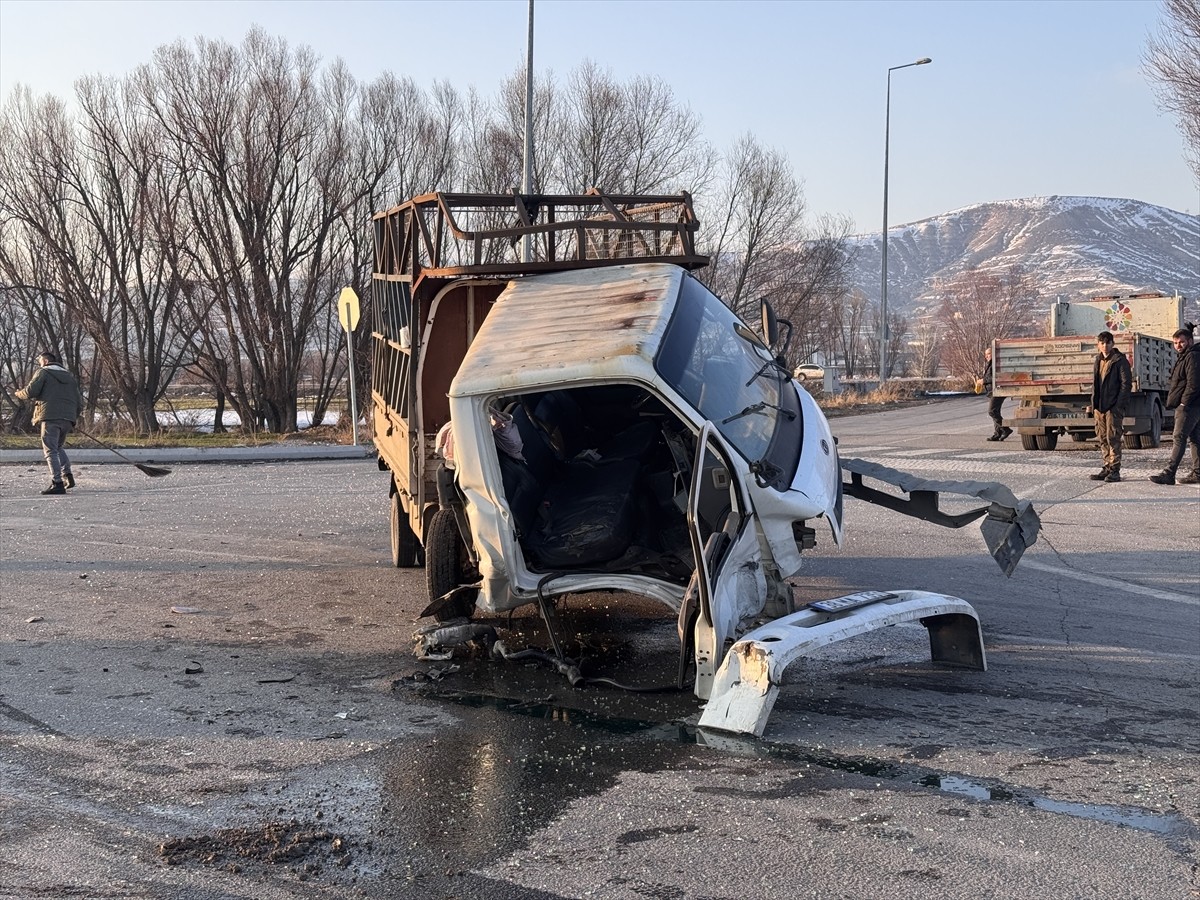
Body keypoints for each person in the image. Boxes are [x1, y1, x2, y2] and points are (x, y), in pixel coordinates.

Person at [14, 350, 85, 495]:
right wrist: (72, 418)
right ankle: (68, 476)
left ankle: (57, 483)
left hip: (50, 417)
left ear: (45, 361)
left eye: (40, 361)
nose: (39, 363)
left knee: (50, 450)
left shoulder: (43, 372)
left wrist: (18, 393)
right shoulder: (69, 377)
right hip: (68, 419)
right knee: (58, 447)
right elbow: (79, 403)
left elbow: (31, 391)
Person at [1150, 324, 1200, 485]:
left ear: (1190, 341)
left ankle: (1169, 473)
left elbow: (1194, 383)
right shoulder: (1187, 356)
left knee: (1179, 437)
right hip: (1193, 404)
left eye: (1182, 342)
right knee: (1195, 438)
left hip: (1190, 406)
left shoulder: (1192, 356)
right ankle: (1198, 472)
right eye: (1176, 343)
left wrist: (1184, 403)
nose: (1178, 346)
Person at [1089, 331, 1132, 483]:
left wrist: (1119, 405)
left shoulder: (1119, 360)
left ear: (1113, 344)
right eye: (1102, 343)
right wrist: (1094, 404)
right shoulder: (1098, 360)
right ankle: (1107, 466)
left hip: (1113, 407)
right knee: (1102, 438)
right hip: (1100, 407)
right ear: (1098, 345)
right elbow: (1096, 384)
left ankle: (1115, 470)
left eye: (1107, 343)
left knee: (1113, 437)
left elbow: (1126, 384)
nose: (1105, 346)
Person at [980, 347, 1012, 441]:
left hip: (998, 391)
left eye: (988, 354)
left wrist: (983, 381)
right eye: (985, 355)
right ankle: (997, 434)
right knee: (995, 412)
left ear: (993, 354)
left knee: (992, 411)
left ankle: (1005, 429)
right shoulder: (990, 364)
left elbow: (996, 377)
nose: (986, 356)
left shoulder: (996, 363)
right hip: (992, 391)